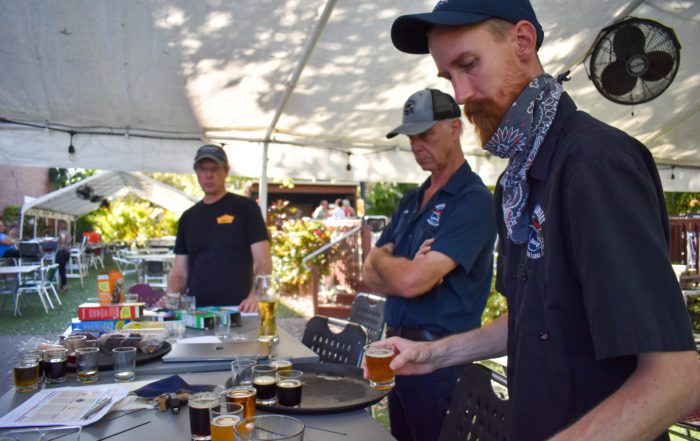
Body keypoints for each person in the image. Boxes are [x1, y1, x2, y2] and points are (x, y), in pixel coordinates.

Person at [369, 1, 700, 440]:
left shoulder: (593, 162)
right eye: (449, 77)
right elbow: (530, 320)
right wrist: (431, 355)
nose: (462, 94)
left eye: (469, 65)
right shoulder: (516, 181)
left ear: (523, 41)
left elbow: (676, 376)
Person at [362, 88, 496, 441]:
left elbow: (410, 284)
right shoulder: (412, 197)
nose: (416, 145)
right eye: (411, 137)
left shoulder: (473, 201)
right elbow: (367, 273)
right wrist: (384, 261)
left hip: (442, 363)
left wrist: (387, 262)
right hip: (397, 356)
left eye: (426, 134)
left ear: (455, 128)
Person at [168, 144, 272, 312]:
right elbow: (180, 272)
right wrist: (169, 300)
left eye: (214, 169)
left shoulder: (246, 208)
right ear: (196, 172)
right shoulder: (188, 217)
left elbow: (263, 261)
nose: (208, 175)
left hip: (238, 309)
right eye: (202, 169)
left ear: (226, 171)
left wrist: (254, 296)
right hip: (197, 312)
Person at [55, 221, 72, 290]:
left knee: (61, 269)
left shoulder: (61, 233)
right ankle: (62, 284)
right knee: (63, 269)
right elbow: (69, 241)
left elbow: (63, 240)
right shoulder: (68, 233)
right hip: (67, 253)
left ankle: (62, 285)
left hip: (62, 252)